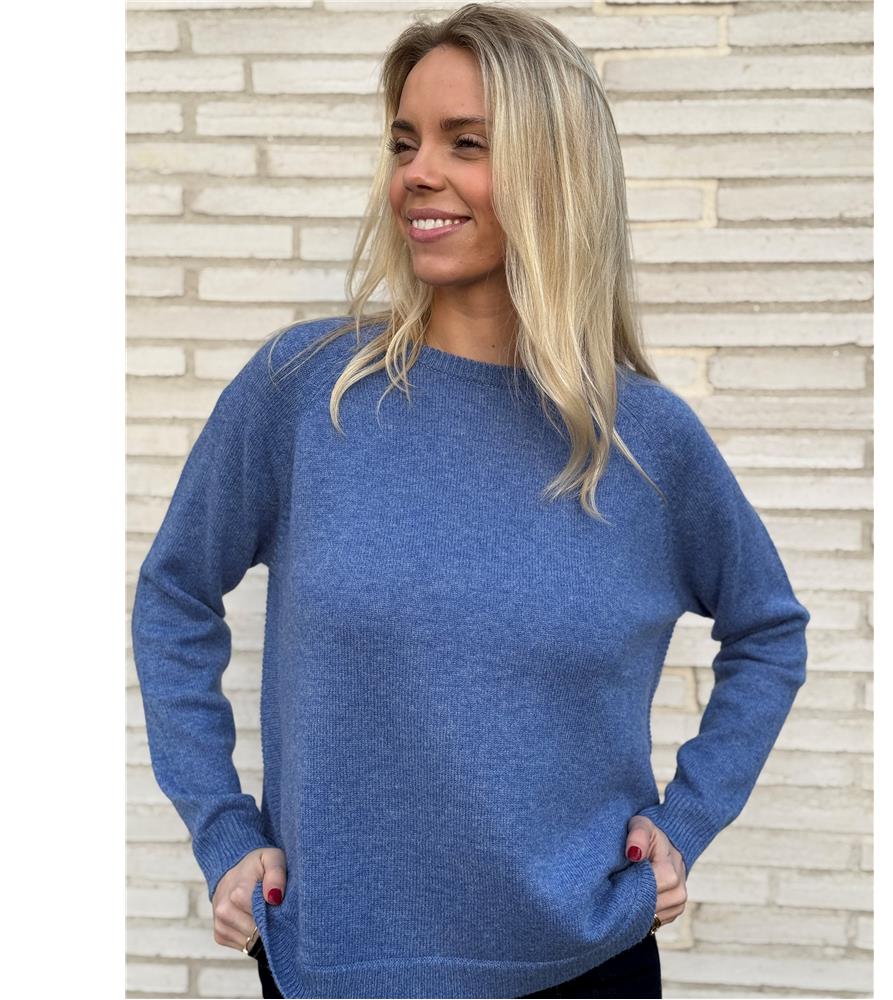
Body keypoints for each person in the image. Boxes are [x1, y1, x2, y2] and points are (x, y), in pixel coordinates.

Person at [129, 4, 811, 999]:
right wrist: (224, 829)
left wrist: (686, 820)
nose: (417, 171)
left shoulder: (645, 441)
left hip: (585, 963)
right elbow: (174, 593)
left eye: (467, 143)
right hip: (337, 967)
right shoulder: (305, 393)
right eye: (404, 141)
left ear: (551, 171)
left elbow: (769, 630)